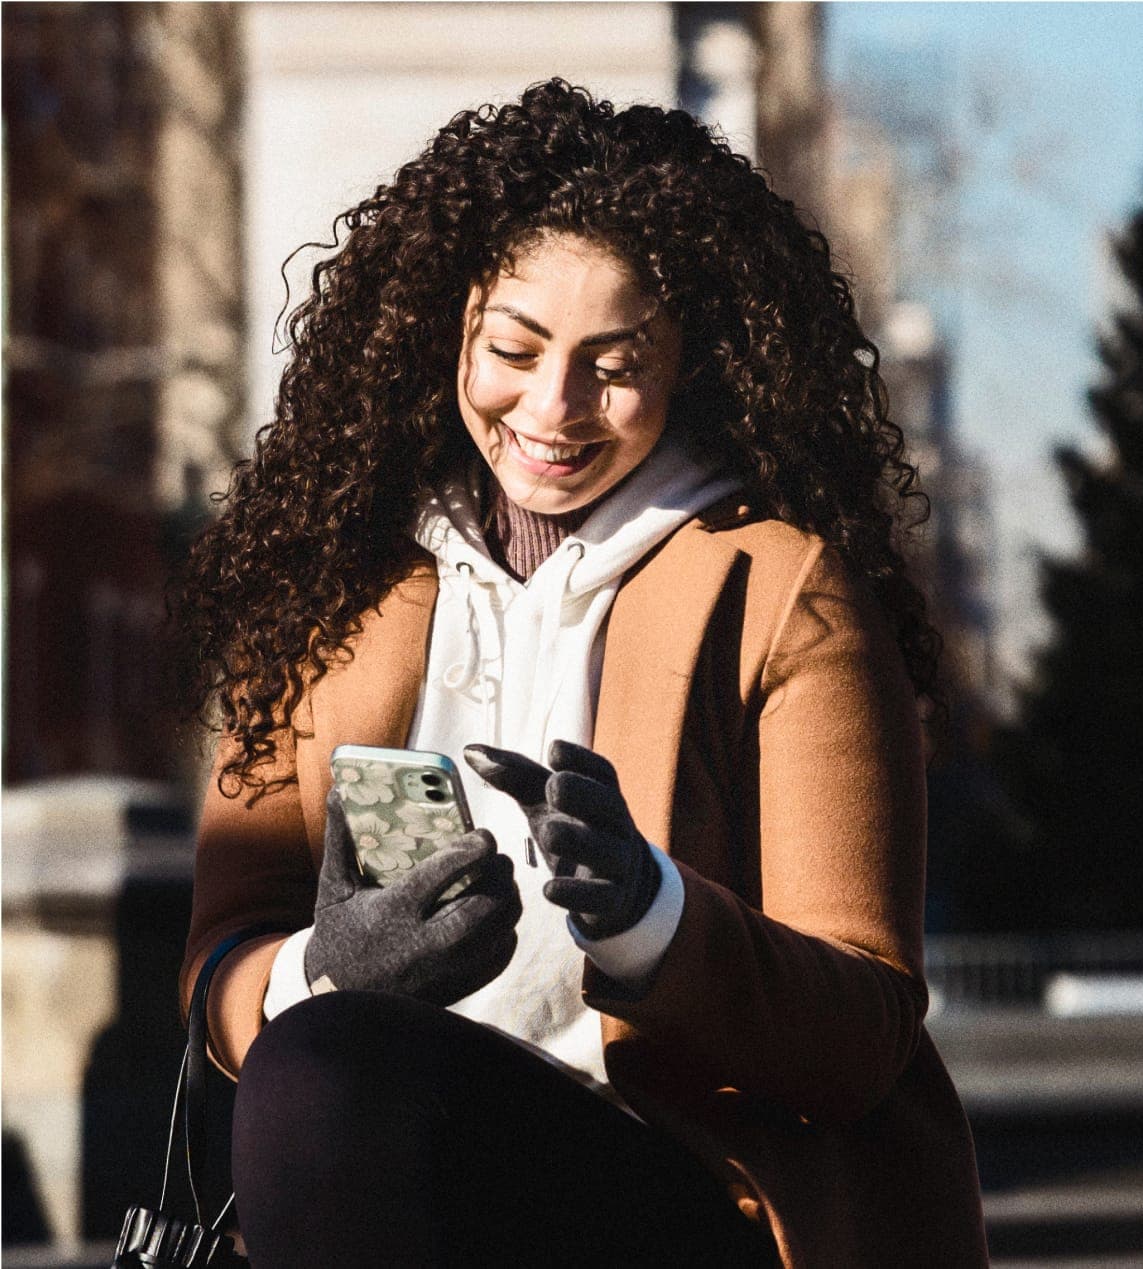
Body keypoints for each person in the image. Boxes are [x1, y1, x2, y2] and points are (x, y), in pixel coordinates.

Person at [178, 79, 988, 1267]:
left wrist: (650, 914)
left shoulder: (777, 590)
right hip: (379, 1149)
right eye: (515, 347)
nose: (551, 408)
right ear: (447, 325)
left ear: (694, 367)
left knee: (331, 1084)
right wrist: (324, 967)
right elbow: (217, 964)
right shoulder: (331, 590)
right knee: (322, 1064)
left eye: (614, 365)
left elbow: (862, 1032)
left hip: (682, 1192)